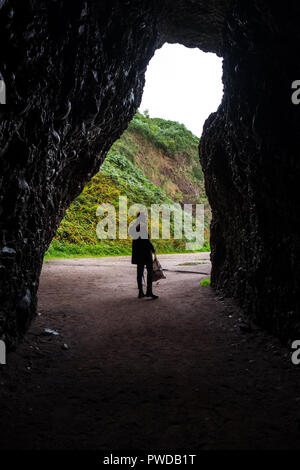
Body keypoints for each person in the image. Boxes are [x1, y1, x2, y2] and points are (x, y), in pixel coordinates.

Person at [131, 213, 158, 300]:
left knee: (140, 273)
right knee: (150, 273)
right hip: (146, 254)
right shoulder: (142, 228)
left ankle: (140, 292)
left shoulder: (135, 228)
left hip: (139, 255)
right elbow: (146, 241)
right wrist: (153, 248)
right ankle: (149, 291)